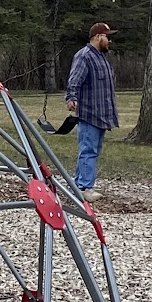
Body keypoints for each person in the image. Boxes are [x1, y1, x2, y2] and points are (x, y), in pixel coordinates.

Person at [64, 22, 119, 196]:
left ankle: (79, 184)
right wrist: (71, 97)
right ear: (97, 37)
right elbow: (75, 79)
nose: (109, 40)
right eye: (106, 37)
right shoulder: (84, 56)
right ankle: (84, 188)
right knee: (88, 150)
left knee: (92, 150)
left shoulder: (101, 57)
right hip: (89, 113)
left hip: (101, 114)